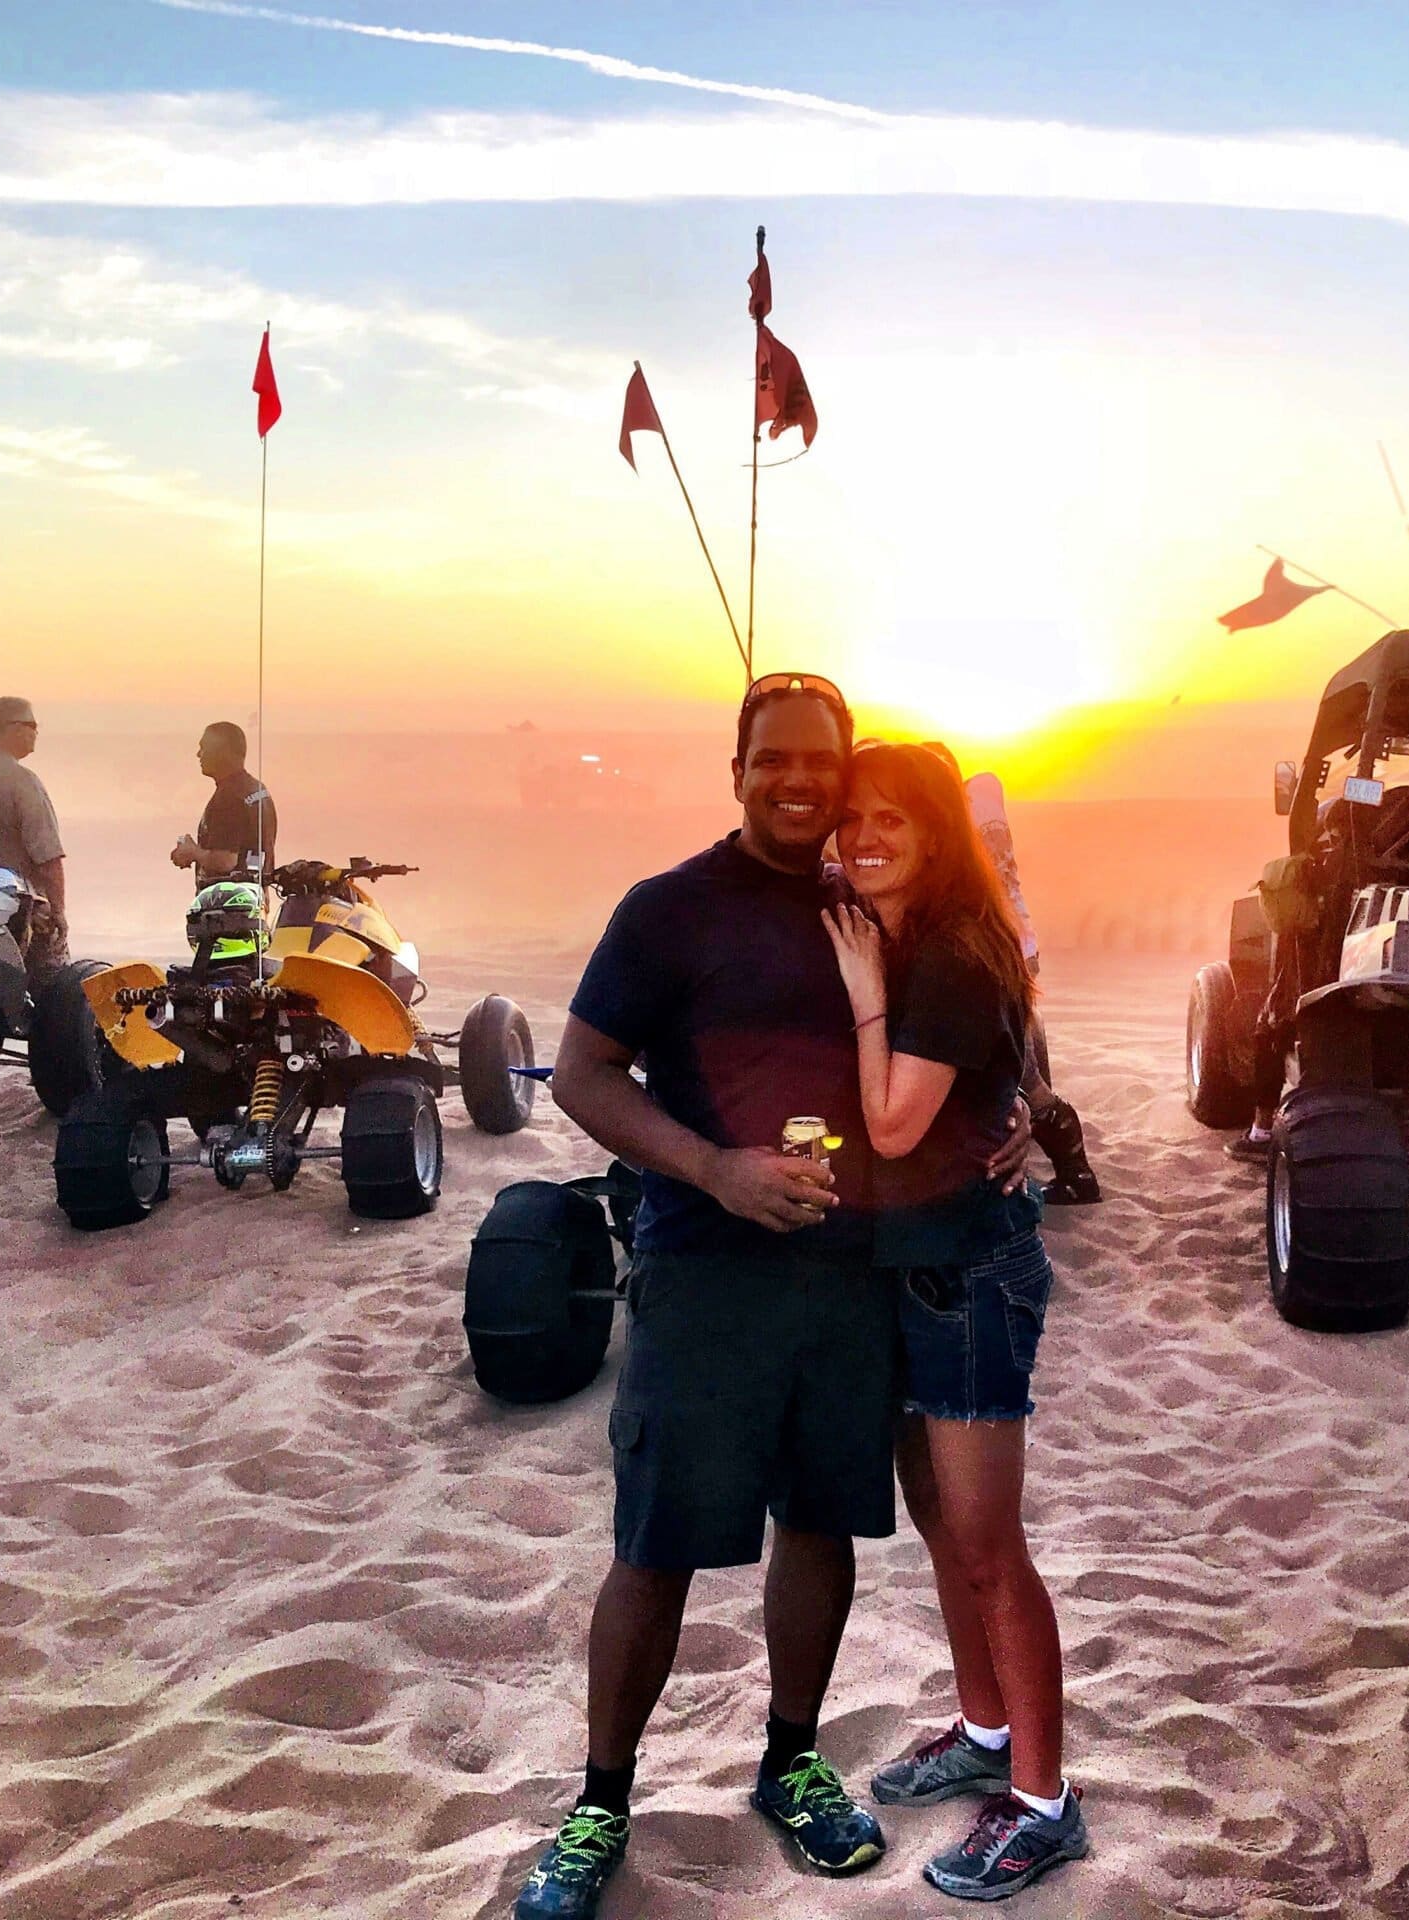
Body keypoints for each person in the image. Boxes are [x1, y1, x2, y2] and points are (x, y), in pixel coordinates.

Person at [516, 673, 1030, 1920]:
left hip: (857, 1278)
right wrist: (711, 1168)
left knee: (819, 1521)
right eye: (773, 761)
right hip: (702, 1266)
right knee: (657, 1544)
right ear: (735, 769)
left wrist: (1008, 1118)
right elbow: (582, 1071)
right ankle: (598, 1806)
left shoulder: (884, 906)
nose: (800, 784)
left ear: (848, 775)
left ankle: (792, 1758)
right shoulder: (670, 911)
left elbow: (973, 1022)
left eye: (821, 765)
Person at [822, 742, 1087, 1902]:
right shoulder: (891, 928)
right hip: (910, 1264)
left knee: (988, 1546)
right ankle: (982, 1733)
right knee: (939, 1525)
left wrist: (869, 999)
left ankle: (1042, 1802)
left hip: (970, 1272)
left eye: (894, 819)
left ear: (938, 835)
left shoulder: (938, 961)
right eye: (851, 818)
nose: (866, 836)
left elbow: (887, 1126)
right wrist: (1021, 1102)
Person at [922, 743, 1100, 1206]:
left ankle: (1077, 1175)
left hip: (997, 956)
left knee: (1026, 1078)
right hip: (1018, 951)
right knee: (1018, 1065)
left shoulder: (965, 829)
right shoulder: (982, 818)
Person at [0, 696, 68, 971]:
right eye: (31, 724)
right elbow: (48, 856)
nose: (36, 732)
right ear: (13, 727)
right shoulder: (22, 781)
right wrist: (59, 912)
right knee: (49, 987)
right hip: (19, 912)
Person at [170, 721, 277, 879]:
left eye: (204, 747)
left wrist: (193, 851)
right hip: (256, 894)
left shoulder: (229, 797)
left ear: (222, 751)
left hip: (228, 899)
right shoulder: (257, 790)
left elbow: (226, 861)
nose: (199, 754)